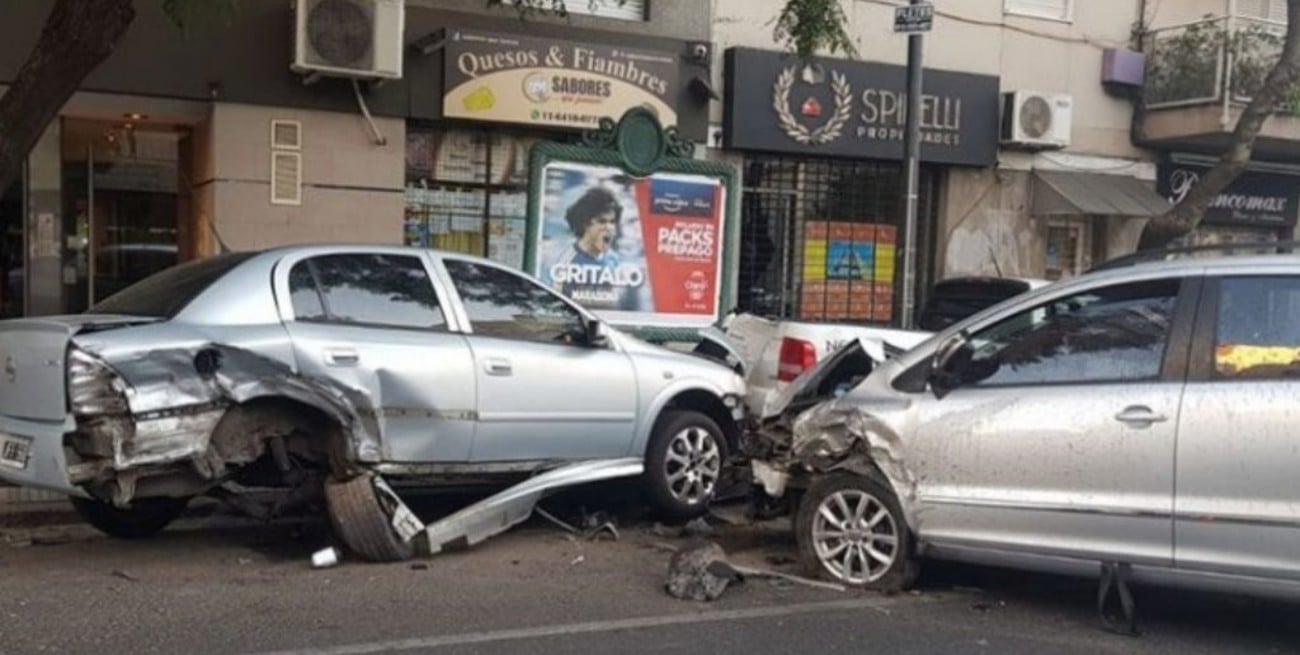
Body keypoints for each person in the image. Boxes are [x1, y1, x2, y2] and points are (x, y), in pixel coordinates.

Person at [547, 186, 628, 308]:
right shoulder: (567, 261)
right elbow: (557, 305)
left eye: (612, 222)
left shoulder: (613, 259)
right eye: (602, 221)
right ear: (585, 223)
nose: (609, 228)